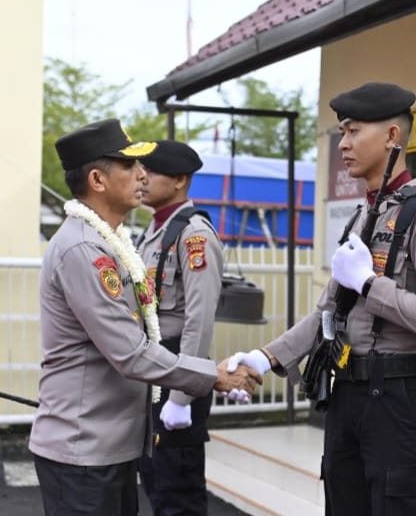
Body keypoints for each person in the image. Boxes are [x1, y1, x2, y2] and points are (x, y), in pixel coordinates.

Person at [226, 82, 416, 516]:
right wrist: (264, 358)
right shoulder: (363, 217)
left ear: (392, 136)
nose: (344, 144)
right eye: (343, 132)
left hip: (399, 400)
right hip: (348, 397)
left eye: (354, 131)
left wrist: (371, 285)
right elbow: (328, 314)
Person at [29, 118, 260, 516]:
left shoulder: (110, 241)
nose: (141, 175)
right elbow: (129, 352)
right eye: (130, 165)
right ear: (98, 180)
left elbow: (194, 319)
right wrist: (213, 376)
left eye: (145, 167)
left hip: (107, 442)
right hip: (85, 449)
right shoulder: (84, 249)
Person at [135, 140, 224, 516]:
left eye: (152, 172)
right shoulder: (152, 232)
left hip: (177, 373)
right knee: (156, 484)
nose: (141, 179)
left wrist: (181, 398)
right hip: (154, 370)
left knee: (178, 495)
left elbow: (198, 322)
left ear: (179, 180)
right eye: (140, 171)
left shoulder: (194, 235)